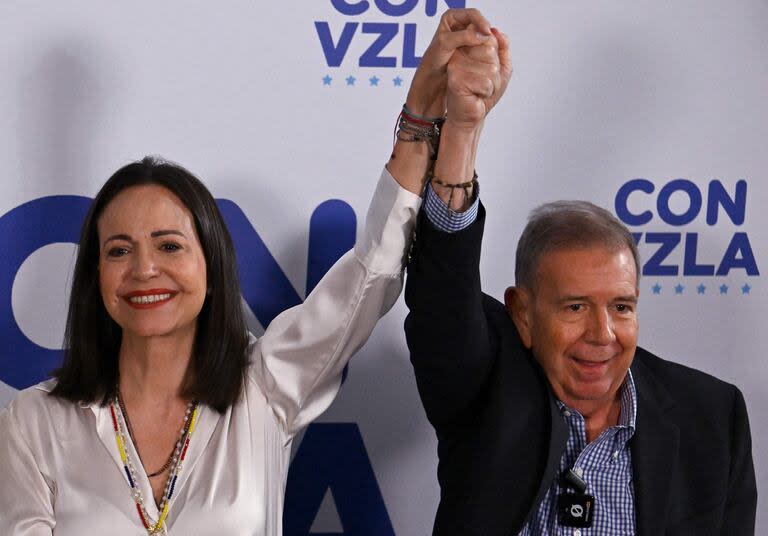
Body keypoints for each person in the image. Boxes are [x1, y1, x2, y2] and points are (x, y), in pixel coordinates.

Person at [0, 8, 503, 536]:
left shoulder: (265, 388)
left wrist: (422, 118)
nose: (145, 270)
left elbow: (371, 274)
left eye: (169, 246)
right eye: (119, 251)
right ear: (95, 276)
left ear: (212, 267)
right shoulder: (33, 424)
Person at [404, 17, 757, 536]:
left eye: (621, 306)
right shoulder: (485, 385)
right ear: (522, 314)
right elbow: (442, 293)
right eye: (574, 307)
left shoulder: (711, 415)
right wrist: (462, 129)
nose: (602, 335)